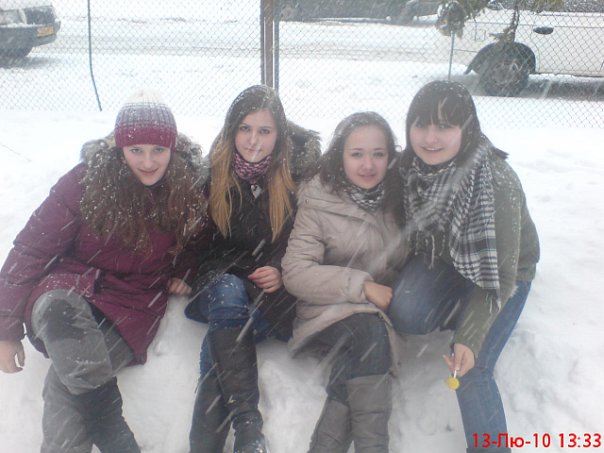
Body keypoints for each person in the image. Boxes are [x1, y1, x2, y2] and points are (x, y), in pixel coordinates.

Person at [0, 91, 208, 453]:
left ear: (172, 148)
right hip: (67, 288)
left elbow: (197, 245)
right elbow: (31, 249)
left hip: (132, 303)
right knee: (58, 309)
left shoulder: (186, 189)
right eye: (136, 150)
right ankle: (114, 433)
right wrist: (5, 330)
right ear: (119, 147)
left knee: (66, 385)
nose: (147, 161)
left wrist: (185, 272)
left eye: (158, 150)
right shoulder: (86, 182)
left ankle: (102, 435)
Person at [387, 80, 540, 453]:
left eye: (444, 126)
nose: (430, 138)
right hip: (448, 261)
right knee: (406, 311)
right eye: (422, 125)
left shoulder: (495, 183)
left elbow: (499, 278)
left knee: (471, 368)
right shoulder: (411, 169)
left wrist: (470, 337)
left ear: (466, 128)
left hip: (501, 275)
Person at [184, 84, 320, 453]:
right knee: (227, 295)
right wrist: (182, 272)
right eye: (245, 129)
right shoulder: (213, 174)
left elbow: (304, 238)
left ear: (279, 134)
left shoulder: (297, 177)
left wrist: (280, 267)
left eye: (264, 130)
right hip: (222, 278)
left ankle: (206, 446)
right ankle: (248, 429)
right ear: (231, 130)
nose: (254, 140)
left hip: (271, 290)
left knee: (221, 347)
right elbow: (199, 242)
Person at [282, 111, 407, 453]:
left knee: (356, 359)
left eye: (378, 154)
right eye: (357, 154)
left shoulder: (398, 197)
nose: (368, 165)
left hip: (373, 310)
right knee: (369, 334)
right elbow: (296, 271)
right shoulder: (319, 199)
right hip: (325, 309)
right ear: (341, 156)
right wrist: (361, 286)